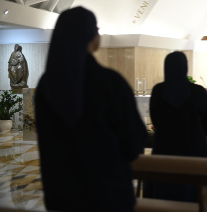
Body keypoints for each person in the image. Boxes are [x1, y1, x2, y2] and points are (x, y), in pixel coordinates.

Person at [35, 7, 146, 212]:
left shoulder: (45, 87)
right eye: (97, 29)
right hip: (107, 196)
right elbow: (134, 142)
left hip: (61, 197)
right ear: (91, 37)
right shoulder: (111, 83)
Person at [143, 51, 207, 204]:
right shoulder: (197, 92)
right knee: (193, 191)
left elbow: (155, 118)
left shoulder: (158, 90)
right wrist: (196, 134)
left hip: (164, 148)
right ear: (185, 67)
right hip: (193, 149)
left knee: (163, 190)